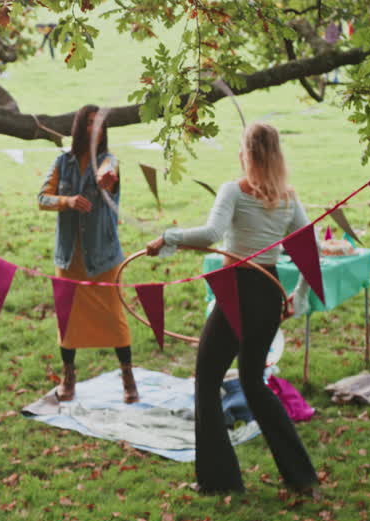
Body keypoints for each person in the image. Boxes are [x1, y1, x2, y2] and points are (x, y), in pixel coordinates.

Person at [145, 123, 319, 498]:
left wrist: (169, 238)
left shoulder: (234, 192)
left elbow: (211, 235)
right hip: (268, 294)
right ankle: (302, 477)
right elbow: (311, 250)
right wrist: (298, 297)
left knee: (207, 380)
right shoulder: (288, 198)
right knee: (254, 383)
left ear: (246, 153)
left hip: (238, 291)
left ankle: (218, 480)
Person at [37, 104, 139, 404]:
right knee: (67, 321)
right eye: (90, 124)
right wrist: (67, 201)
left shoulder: (109, 161)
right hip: (69, 258)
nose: (95, 130)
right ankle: (68, 376)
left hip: (103, 256)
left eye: (100, 125)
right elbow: (42, 198)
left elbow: (109, 174)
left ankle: (128, 377)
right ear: (80, 127)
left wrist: (104, 177)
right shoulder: (62, 162)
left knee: (114, 317)